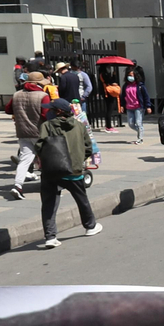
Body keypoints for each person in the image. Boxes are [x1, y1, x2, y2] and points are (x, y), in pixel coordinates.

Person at [36, 99, 102, 248]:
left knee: (49, 203)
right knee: (81, 199)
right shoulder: (79, 126)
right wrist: (78, 159)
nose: (49, 111)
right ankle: (90, 226)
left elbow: (39, 146)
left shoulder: (47, 126)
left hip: (52, 170)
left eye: (52, 109)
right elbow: (88, 147)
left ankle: (50, 236)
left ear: (58, 112)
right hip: (74, 170)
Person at [7, 71, 51, 200]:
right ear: (39, 83)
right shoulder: (43, 96)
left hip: (23, 132)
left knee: (24, 160)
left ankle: (18, 185)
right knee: (46, 159)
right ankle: (49, 184)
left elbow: (8, 109)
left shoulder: (17, 95)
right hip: (39, 132)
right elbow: (46, 115)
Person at [123, 71, 150, 143]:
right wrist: (122, 106)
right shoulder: (125, 86)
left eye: (132, 75)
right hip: (129, 107)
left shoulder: (140, 85)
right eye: (129, 75)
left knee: (138, 123)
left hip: (138, 107)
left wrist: (148, 106)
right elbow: (123, 96)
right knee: (131, 124)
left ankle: (140, 138)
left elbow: (146, 96)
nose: (130, 77)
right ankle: (140, 131)